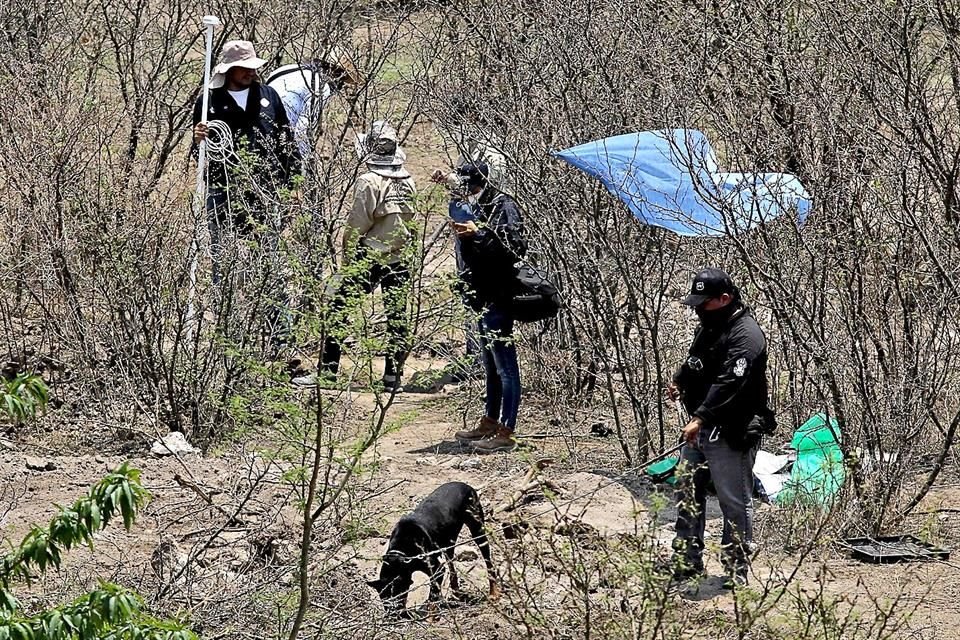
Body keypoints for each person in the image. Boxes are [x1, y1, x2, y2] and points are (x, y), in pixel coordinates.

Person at [666, 268, 771, 588]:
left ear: (724, 299)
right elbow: (696, 361)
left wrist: (700, 417)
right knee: (687, 489)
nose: (698, 308)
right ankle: (687, 559)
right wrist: (680, 381)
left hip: (731, 431)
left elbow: (730, 383)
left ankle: (736, 568)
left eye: (704, 302)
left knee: (733, 501)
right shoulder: (709, 326)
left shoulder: (746, 336)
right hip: (699, 429)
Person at [292, 121, 416, 392]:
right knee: (397, 316)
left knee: (338, 309)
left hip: (369, 256)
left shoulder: (368, 181)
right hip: (400, 256)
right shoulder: (409, 180)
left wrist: (347, 258)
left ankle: (327, 374)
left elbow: (356, 224)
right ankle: (393, 378)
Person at [451, 163, 526, 453]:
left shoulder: (502, 204)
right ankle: (490, 420)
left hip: (499, 293)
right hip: (480, 294)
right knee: (491, 365)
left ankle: (507, 431)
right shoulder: (473, 204)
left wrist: (478, 234)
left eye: (464, 185)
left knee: (506, 367)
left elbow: (515, 246)